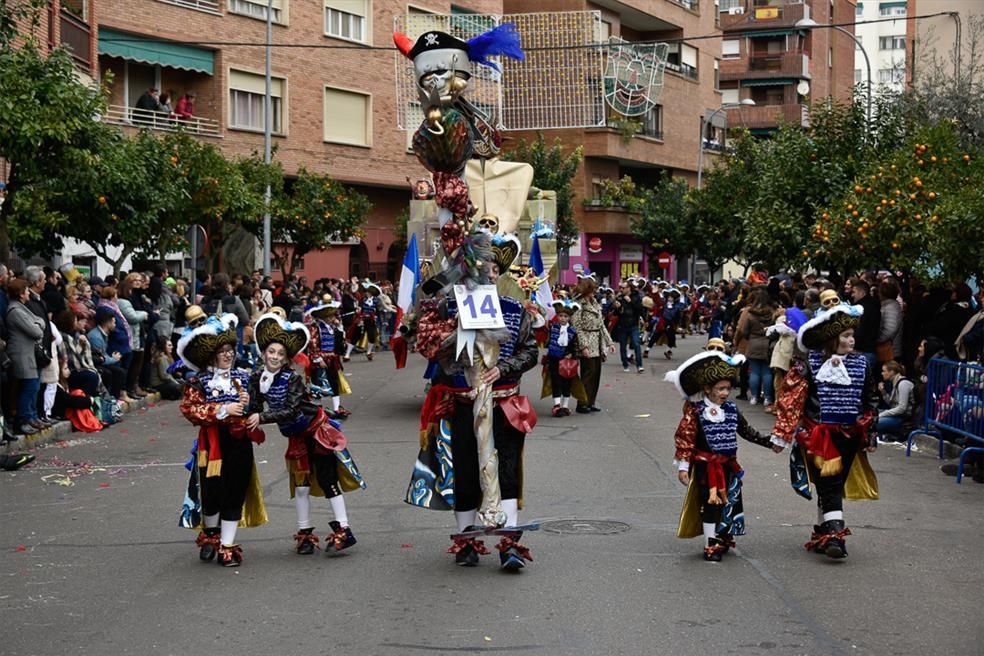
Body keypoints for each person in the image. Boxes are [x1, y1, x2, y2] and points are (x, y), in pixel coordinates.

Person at [407, 245, 539, 570]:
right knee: (464, 472)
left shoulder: (513, 307)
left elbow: (531, 351)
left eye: (492, 269)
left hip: (504, 403)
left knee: (507, 471)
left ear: (499, 273)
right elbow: (427, 345)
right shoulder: (448, 309)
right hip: (462, 404)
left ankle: (509, 543)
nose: (487, 273)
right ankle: (466, 539)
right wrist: (453, 334)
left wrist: (502, 368)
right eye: (479, 267)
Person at [246, 313, 366, 555]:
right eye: (271, 352)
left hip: (316, 432)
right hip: (296, 437)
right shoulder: (257, 378)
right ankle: (305, 534)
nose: (275, 357)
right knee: (300, 486)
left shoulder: (293, 379)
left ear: (287, 358)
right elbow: (255, 407)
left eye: (280, 354)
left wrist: (262, 418)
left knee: (327, 480)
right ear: (263, 353)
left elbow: (290, 410)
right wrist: (246, 410)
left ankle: (344, 529)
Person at [770, 294, 879, 559]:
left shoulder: (862, 363)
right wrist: (782, 435)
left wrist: (871, 432)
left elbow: (870, 399)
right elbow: (791, 400)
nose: (851, 340)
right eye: (845, 336)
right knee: (829, 484)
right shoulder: (809, 363)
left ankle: (822, 529)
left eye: (852, 335)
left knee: (834, 485)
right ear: (831, 338)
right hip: (818, 435)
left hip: (850, 434)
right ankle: (835, 538)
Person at [666, 344, 779, 561]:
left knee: (728, 502)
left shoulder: (732, 409)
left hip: (728, 465)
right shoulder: (696, 411)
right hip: (705, 467)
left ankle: (722, 535)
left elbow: (746, 431)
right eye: (721, 389)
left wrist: (770, 442)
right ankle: (710, 543)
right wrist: (683, 467)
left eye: (728, 388)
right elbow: (685, 438)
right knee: (710, 504)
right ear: (708, 389)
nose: (725, 393)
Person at [178, 313, 267, 567]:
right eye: (222, 351)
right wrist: (222, 410)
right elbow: (189, 410)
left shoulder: (244, 376)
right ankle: (211, 535)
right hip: (212, 444)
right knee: (212, 492)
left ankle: (227, 545)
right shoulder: (199, 381)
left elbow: (256, 406)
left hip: (239, 442)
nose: (228, 355)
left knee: (235, 490)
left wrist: (252, 414)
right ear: (212, 354)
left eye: (230, 350)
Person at [5, 278, 46, 435]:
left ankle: (29, 417)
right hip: (21, 354)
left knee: (32, 386)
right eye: (27, 290)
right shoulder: (15, 311)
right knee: (29, 387)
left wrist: (37, 324)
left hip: (29, 354)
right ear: (21, 294)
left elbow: (40, 321)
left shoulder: (22, 308)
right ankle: (21, 420)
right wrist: (37, 325)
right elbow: (37, 330)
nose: (29, 292)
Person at [571, 275, 614, 414]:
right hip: (587, 340)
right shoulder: (579, 304)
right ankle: (582, 402)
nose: (595, 291)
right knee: (587, 373)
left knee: (596, 373)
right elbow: (577, 327)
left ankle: (591, 401)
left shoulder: (595, 302)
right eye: (593, 289)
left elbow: (601, 325)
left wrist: (609, 342)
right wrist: (583, 346)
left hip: (597, 340)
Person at [305, 297, 351, 419]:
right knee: (318, 384)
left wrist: (340, 328)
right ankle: (318, 410)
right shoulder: (316, 327)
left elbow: (339, 342)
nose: (333, 318)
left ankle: (336, 408)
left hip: (332, 359)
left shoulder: (333, 327)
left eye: (333, 316)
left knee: (334, 382)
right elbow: (312, 342)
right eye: (330, 316)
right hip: (320, 359)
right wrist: (317, 359)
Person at [543, 299, 580, 417]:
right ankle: (557, 405)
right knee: (556, 382)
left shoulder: (573, 331)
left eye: (565, 316)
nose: (562, 318)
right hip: (554, 359)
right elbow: (547, 342)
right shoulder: (553, 328)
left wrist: (572, 354)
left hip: (567, 362)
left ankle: (565, 405)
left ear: (569, 318)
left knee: (567, 383)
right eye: (560, 316)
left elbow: (575, 346)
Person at [875, 360, 915, 442]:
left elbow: (901, 408)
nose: (882, 373)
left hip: (903, 418)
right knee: (871, 415)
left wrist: (881, 414)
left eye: (884, 371)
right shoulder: (895, 382)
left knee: (875, 422)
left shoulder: (903, 384)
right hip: (897, 415)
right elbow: (891, 403)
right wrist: (883, 392)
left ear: (891, 372)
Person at [613, 280, 645, 373]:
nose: (621, 289)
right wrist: (617, 307)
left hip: (633, 324)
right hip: (622, 325)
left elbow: (640, 309)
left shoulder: (636, 297)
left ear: (629, 288)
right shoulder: (619, 298)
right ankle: (625, 364)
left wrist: (630, 302)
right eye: (621, 288)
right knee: (623, 346)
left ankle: (639, 365)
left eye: (623, 288)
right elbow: (616, 313)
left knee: (636, 344)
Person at [850, 277, 882, 369]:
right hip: (869, 350)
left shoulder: (861, 309)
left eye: (854, 292)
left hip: (862, 351)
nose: (852, 295)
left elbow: (860, 330)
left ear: (862, 292)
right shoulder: (873, 305)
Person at [149, 335, 183, 400]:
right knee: (179, 387)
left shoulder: (166, 356)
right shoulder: (162, 358)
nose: (172, 347)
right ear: (163, 346)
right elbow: (165, 376)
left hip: (164, 383)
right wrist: (176, 383)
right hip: (159, 384)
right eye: (169, 345)